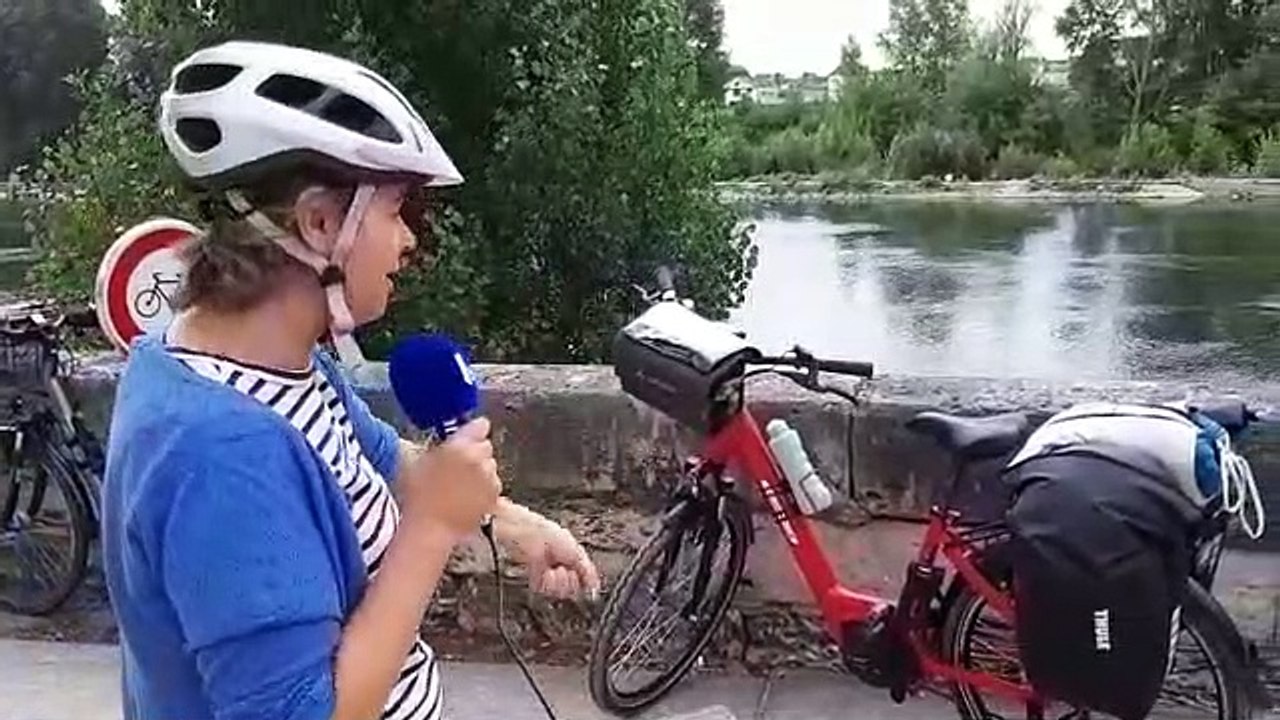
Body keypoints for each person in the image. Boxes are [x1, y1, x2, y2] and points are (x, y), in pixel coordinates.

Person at [100, 39, 600, 720]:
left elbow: (389, 459)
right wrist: (429, 530)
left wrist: (511, 523)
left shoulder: (257, 364)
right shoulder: (221, 451)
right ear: (319, 222)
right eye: (400, 210)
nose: (410, 241)